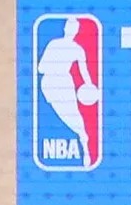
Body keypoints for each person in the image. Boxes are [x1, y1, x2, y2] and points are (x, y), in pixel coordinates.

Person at [36, 17, 99, 164]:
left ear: (76, 31)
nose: (71, 30)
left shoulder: (78, 50)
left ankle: (84, 143)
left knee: (73, 114)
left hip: (64, 82)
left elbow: (84, 72)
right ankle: (83, 137)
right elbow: (40, 68)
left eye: (74, 28)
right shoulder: (53, 44)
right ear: (65, 28)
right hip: (50, 83)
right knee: (65, 114)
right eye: (69, 27)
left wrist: (90, 86)